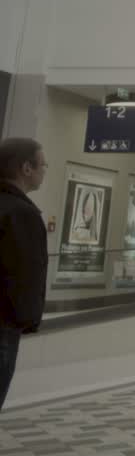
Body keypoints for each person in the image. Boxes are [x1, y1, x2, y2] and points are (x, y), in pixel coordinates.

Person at [0, 138, 49, 411]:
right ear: (26, 168)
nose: (44, 171)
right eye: (43, 165)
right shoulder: (22, 213)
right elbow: (25, 273)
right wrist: (27, 319)